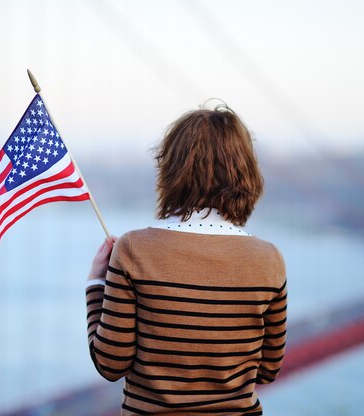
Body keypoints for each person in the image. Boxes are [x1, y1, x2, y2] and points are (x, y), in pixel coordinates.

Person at [85, 104, 288, 415]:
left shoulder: (133, 250)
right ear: (246, 171)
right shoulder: (270, 261)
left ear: (172, 169)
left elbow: (111, 364)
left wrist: (96, 285)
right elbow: (267, 370)